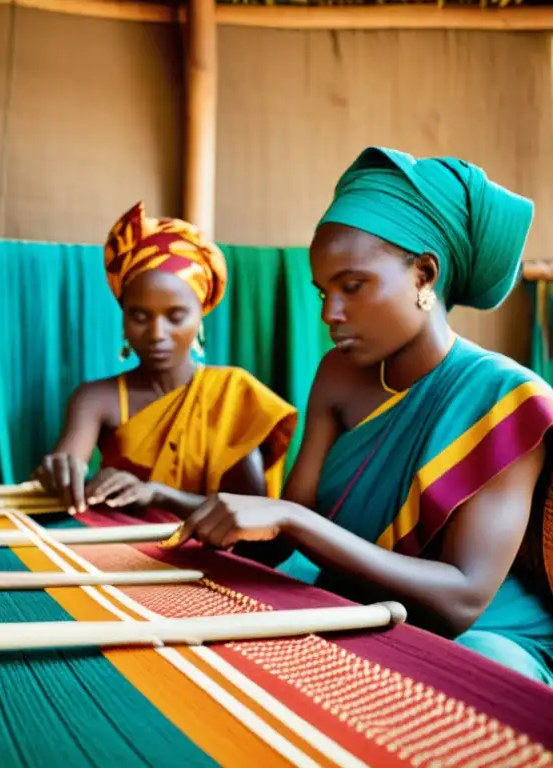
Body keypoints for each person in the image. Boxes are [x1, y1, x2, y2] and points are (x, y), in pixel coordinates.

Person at [164, 147, 553, 684]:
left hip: (478, 634)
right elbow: (286, 534)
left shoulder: (507, 398)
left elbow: (462, 598)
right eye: (323, 291)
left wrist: (291, 519)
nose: (330, 313)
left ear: (424, 275)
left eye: (353, 286)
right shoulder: (337, 374)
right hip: (354, 603)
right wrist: (175, 510)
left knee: (482, 675)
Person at [33, 201, 298, 518]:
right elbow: (68, 476)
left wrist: (159, 495)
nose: (157, 333)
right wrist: (60, 475)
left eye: (175, 316)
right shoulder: (95, 399)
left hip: (213, 559)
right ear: (123, 319)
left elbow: (253, 517)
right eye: (140, 316)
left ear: (200, 317)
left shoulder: (233, 394)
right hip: (119, 552)